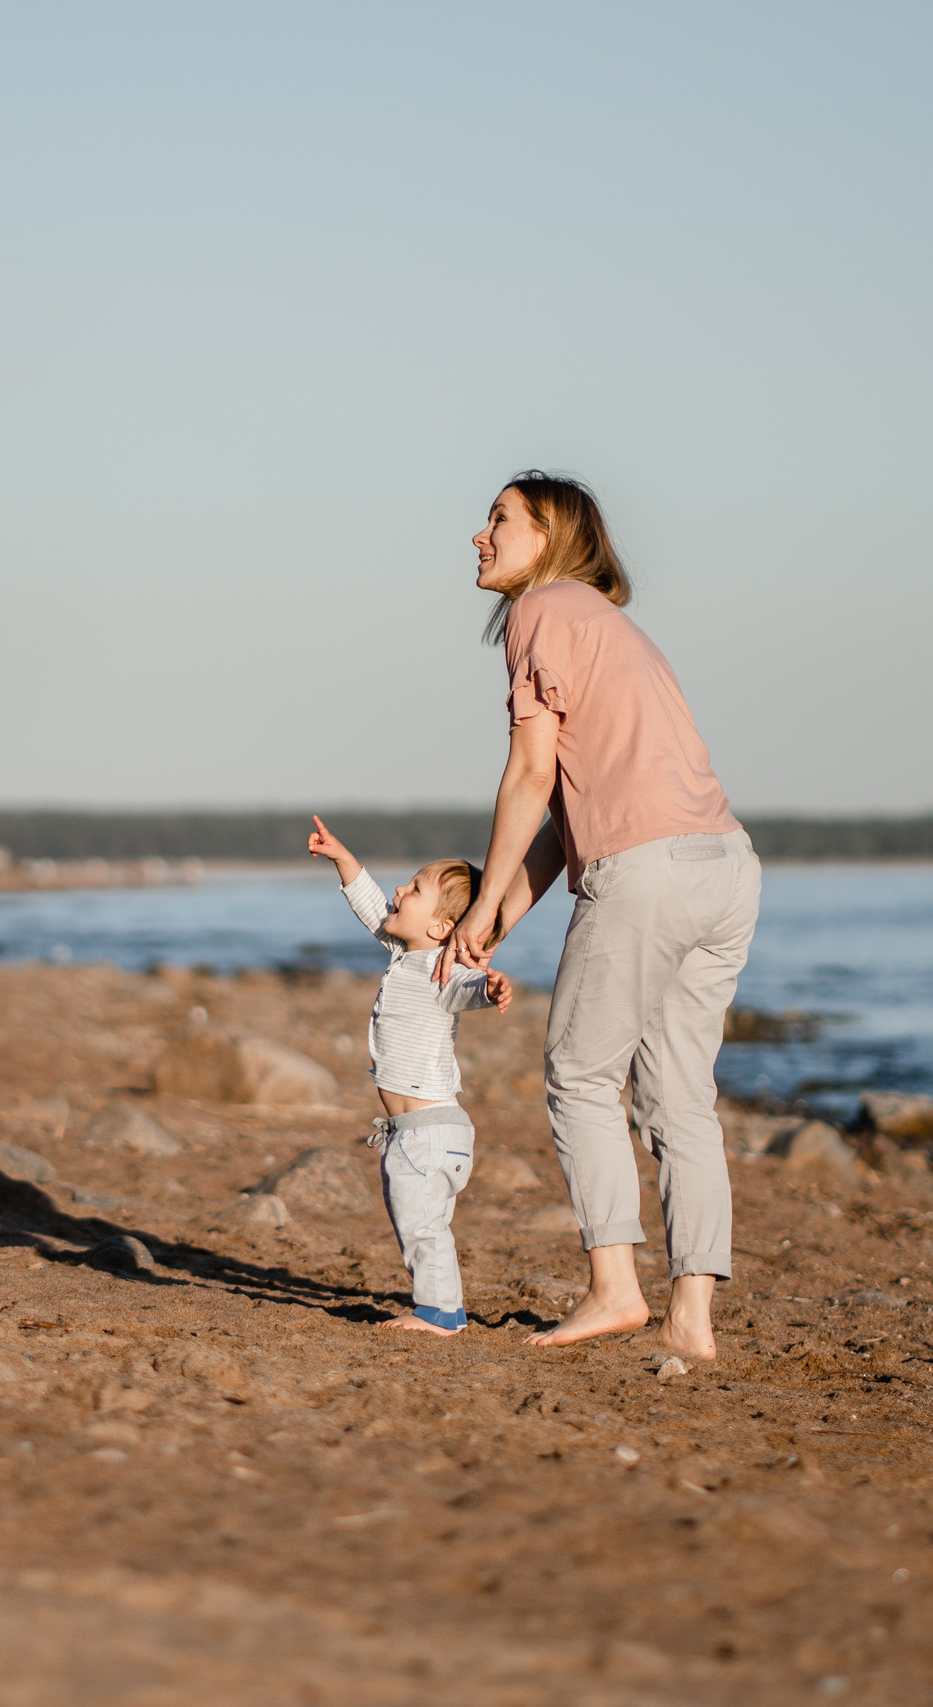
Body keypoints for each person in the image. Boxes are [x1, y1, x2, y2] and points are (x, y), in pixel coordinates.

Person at [441, 472, 757, 1361]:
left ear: (548, 535)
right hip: (725, 864)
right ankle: (691, 1320)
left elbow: (533, 776)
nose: (478, 535)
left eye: (497, 519)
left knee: (580, 1072)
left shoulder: (541, 613)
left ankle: (615, 1288)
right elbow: (568, 813)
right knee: (681, 1099)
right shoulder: (610, 626)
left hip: (647, 869)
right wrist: (500, 911)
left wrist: (479, 910)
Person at [305, 815, 516, 1335]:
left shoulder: (441, 969)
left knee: (423, 1227)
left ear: (441, 928)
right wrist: (342, 857)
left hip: (430, 1134)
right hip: (416, 1134)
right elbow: (371, 902)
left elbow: (466, 988)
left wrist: (488, 991)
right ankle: (444, 1308)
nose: (400, 888)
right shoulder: (404, 952)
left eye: (415, 888)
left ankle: (441, 1314)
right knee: (418, 1223)